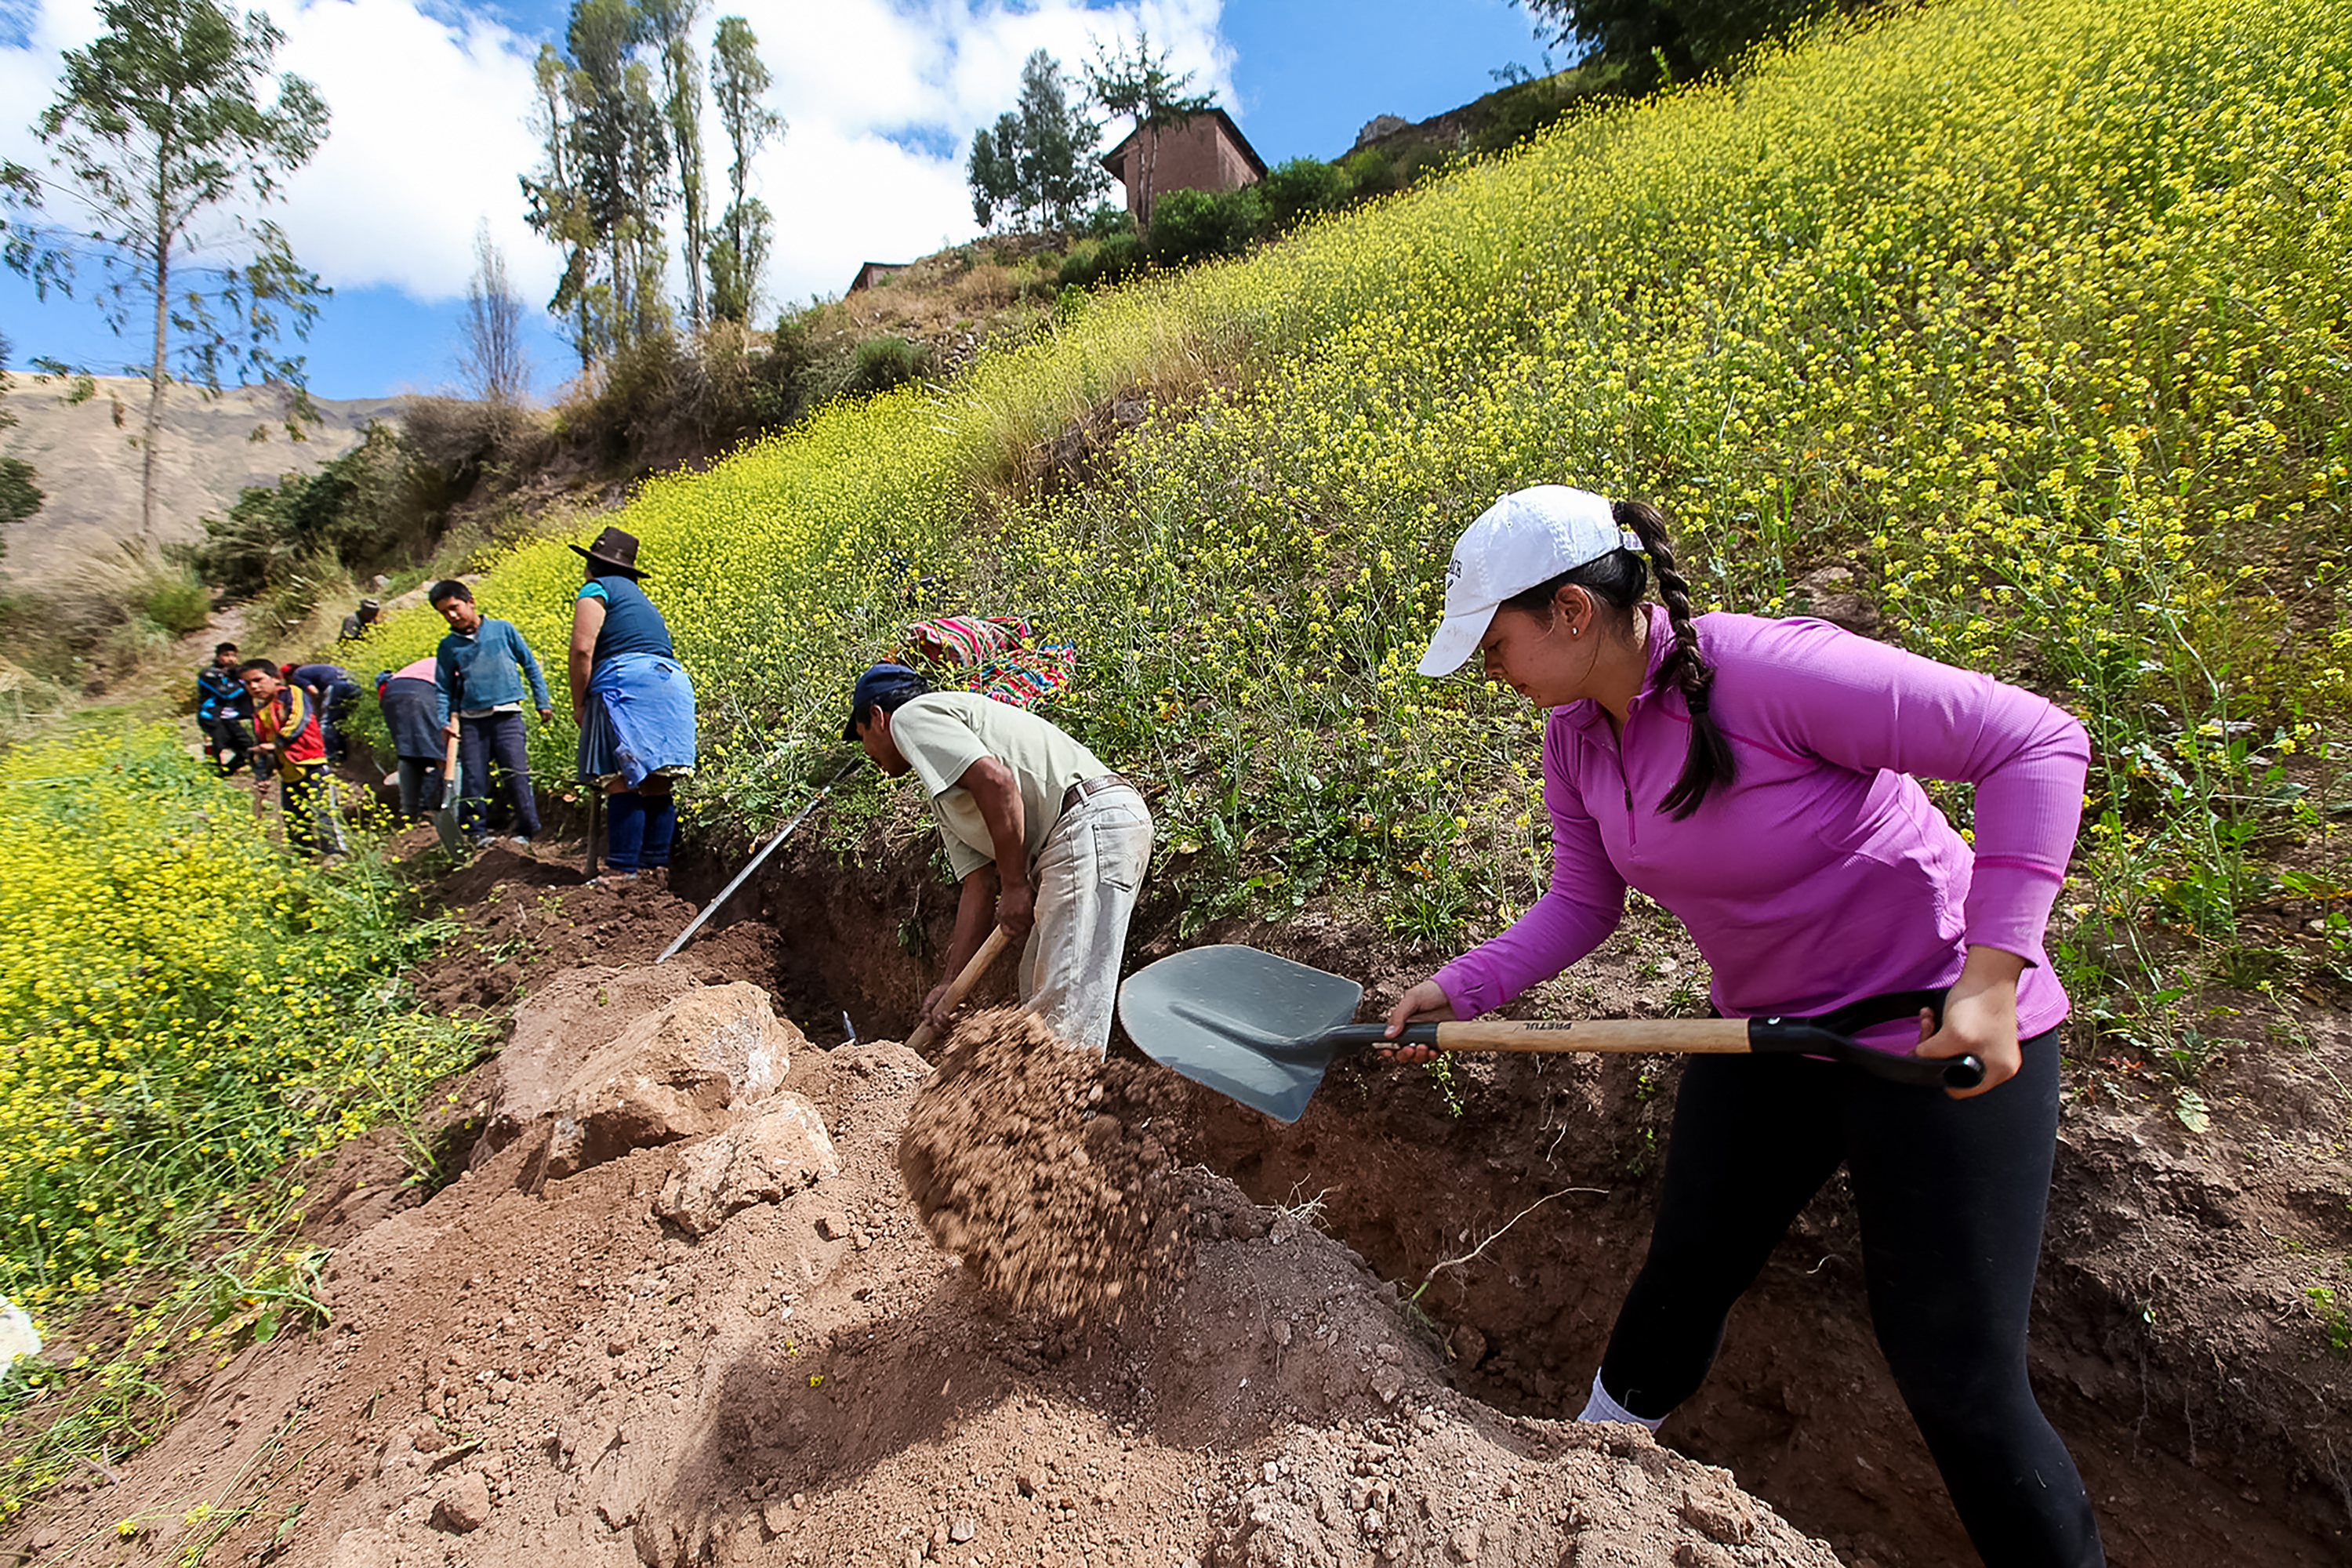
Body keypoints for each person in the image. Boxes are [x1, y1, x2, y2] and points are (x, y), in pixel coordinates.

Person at [1381, 485, 2102, 1567]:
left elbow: (2036, 744)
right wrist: (1465, 985)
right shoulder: (1579, 739)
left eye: (1495, 648)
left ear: (1572, 612)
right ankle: (1586, 1484)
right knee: (1687, 1265)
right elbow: (1585, 901)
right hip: (1776, 1033)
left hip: (1931, 1028)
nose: (1495, 675)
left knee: (1952, 1368)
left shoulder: (1771, 672)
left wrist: (1993, 975)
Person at [848, 662, 1151, 1053]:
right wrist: (950, 982)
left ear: (877, 717)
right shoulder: (946, 788)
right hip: (1072, 841)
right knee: (1039, 999)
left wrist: (1015, 884)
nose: (869, 753)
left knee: (1063, 1009)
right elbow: (978, 883)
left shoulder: (911, 717)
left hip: (1085, 822)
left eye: (862, 737)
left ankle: (1061, 1111)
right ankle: (1047, 1107)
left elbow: (999, 783)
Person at [567, 527, 696, 881]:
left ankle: (621, 871)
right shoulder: (640, 599)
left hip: (627, 685)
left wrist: (579, 704)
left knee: (622, 779)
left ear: (591, 565)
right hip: (671, 683)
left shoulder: (596, 590)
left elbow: (582, 650)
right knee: (656, 781)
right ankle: (655, 869)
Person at [430, 579, 554, 851]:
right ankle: (476, 833)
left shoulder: (502, 630)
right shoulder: (448, 646)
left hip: (507, 716)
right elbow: (444, 688)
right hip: (472, 721)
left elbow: (530, 665)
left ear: (470, 601)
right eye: (444, 613)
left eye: (455, 607)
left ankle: (527, 830)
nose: (452, 615)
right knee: (474, 777)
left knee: (516, 773)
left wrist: (542, 701)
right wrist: (444, 721)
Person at [238, 658, 346, 857]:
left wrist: (278, 742)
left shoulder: (292, 694)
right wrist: (263, 776)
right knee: (293, 817)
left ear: (275, 678)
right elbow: (263, 745)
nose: (253, 686)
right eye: (247, 683)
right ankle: (302, 857)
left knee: (323, 811)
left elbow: (298, 719)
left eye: (258, 680)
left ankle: (334, 853)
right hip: (287, 771)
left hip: (311, 762)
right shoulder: (260, 712)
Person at [376, 657, 449, 818]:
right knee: (446, 754)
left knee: (409, 754)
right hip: (424, 691)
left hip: (393, 691)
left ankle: (410, 811)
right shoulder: (469, 668)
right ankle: (446, 809)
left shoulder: (437, 661)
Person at [285, 662, 361, 764]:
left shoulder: (298, 674)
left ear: (289, 676)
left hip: (336, 687)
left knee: (327, 722)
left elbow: (314, 692)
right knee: (343, 720)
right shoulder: (318, 668)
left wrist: (316, 710)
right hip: (355, 684)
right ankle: (351, 750)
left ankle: (332, 755)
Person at [194, 641, 249, 775]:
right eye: (226, 655)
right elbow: (226, 693)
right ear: (218, 657)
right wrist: (244, 684)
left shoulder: (237, 673)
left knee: (247, 746)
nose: (231, 658)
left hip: (231, 717)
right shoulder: (208, 674)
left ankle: (225, 773)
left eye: (233, 655)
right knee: (218, 746)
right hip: (212, 717)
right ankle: (211, 773)